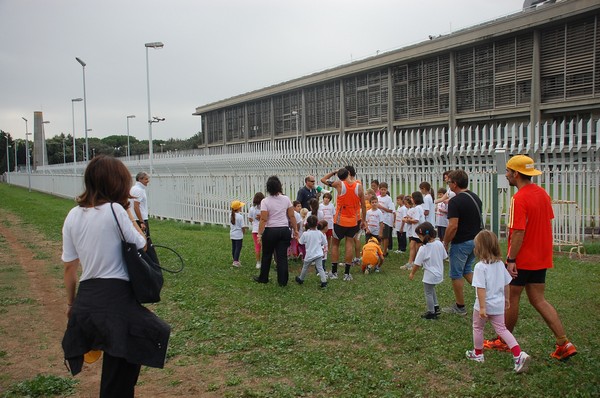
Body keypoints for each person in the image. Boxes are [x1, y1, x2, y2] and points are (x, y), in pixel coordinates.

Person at [61, 155, 170, 397]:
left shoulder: (72, 215)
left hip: (88, 299)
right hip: (116, 299)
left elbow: (69, 268)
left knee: (117, 368)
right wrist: (129, 213)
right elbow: (141, 244)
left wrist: (71, 304)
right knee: (122, 372)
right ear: (117, 182)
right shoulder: (114, 210)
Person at [484, 155, 577, 361]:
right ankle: (563, 342)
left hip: (522, 259)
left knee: (511, 297)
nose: (506, 175)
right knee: (539, 299)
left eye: (508, 171)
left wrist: (511, 259)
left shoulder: (519, 198)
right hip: (540, 257)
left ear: (516, 174)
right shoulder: (543, 194)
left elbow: (518, 232)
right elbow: (544, 221)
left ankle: (503, 340)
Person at [467, 230, 531, 373]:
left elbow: (481, 289)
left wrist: (482, 307)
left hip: (483, 306)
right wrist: (507, 299)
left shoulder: (480, 267)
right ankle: (518, 354)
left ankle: (478, 354)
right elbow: (506, 283)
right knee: (502, 329)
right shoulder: (500, 264)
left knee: (478, 327)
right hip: (498, 304)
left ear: (479, 248)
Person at [442, 169, 483, 316]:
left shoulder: (455, 201)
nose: (448, 185)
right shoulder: (475, 197)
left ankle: (460, 306)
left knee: (456, 274)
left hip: (461, 242)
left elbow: (453, 226)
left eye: (449, 182)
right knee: (467, 270)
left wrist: (445, 242)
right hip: (476, 240)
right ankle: (488, 294)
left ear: (455, 184)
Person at [321, 167, 366, 281]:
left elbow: (323, 180)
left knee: (335, 245)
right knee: (349, 244)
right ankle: (347, 273)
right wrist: (364, 220)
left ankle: (335, 272)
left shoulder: (339, 184)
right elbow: (364, 205)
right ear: (349, 173)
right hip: (353, 221)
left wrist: (333, 172)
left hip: (340, 221)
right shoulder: (358, 186)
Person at [254, 175, 299, 287]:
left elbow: (264, 219)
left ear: (268, 188)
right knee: (282, 256)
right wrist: (296, 230)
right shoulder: (286, 199)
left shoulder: (265, 201)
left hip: (270, 230)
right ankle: (283, 281)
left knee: (267, 255)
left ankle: (263, 277)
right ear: (279, 186)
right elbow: (291, 216)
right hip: (284, 230)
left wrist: (259, 234)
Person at [409, 222, 446, 319]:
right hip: (439, 273)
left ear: (422, 236)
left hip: (430, 275)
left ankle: (431, 312)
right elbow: (444, 256)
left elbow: (417, 263)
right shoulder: (439, 243)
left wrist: (412, 273)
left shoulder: (423, 248)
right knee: (431, 289)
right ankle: (436, 306)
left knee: (428, 292)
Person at [295, 215, 328, 288]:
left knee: (305, 267)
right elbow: (324, 242)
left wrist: (297, 237)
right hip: (319, 253)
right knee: (320, 268)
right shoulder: (320, 233)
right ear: (317, 224)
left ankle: (301, 279)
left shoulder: (305, 234)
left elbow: (300, 242)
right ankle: (324, 281)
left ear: (307, 224)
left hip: (309, 254)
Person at [130, 171, 150, 236]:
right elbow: (136, 206)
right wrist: (141, 222)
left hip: (135, 219)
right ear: (140, 179)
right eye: (146, 179)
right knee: (146, 241)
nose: (148, 181)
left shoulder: (134, 188)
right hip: (140, 219)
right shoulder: (139, 190)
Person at [377, 182, 395, 257]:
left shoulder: (388, 199)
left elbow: (391, 210)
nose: (383, 191)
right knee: (379, 236)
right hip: (379, 219)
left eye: (384, 189)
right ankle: (379, 250)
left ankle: (385, 251)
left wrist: (381, 207)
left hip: (386, 219)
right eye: (382, 189)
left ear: (387, 190)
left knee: (385, 236)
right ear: (379, 190)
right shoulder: (378, 198)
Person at [249, 192, 265, 269]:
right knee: (266, 246)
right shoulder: (264, 208)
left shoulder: (252, 209)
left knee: (257, 246)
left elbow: (250, 219)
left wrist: (254, 221)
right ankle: (267, 260)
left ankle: (258, 262)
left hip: (255, 230)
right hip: (265, 229)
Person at [230, 200, 247, 267]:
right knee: (238, 248)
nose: (241, 208)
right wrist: (244, 232)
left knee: (234, 247)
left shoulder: (230, 215)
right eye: (240, 207)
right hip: (238, 235)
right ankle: (235, 261)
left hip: (232, 234)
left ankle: (234, 258)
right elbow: (242, 227)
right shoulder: (240, 216)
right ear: (238, 208)